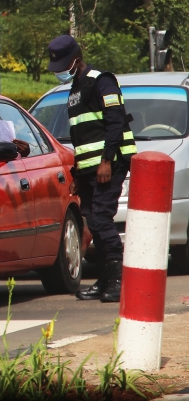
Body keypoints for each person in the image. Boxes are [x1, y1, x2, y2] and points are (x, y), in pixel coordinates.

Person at [48, 34, 137, 303]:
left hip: (109, 164)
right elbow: (82, 136)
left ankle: (118, 281)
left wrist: (107, 160)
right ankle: (105, 280)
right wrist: (77, 173)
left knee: (101, 220)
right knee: (93, 224)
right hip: (89, 169)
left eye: (64, 64)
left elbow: (114, 122)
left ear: (76, 59)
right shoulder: (75, 89)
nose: (61, 71)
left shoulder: (102, 81)